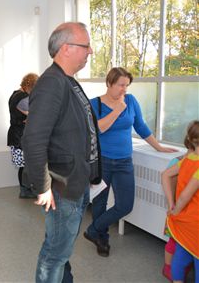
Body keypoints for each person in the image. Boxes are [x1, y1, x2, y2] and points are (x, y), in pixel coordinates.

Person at [21, 22, 101, 283]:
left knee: (61, 247)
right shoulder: (51, 83)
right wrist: (43, 187)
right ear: (66, 48)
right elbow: (33, 139)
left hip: (75, 182)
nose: (90, 51)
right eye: (85, 45)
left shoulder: (67, 81)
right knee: (55, 253)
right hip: (61, 186)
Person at [83, 67, 177, 257]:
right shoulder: (95, 104)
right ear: (109, 83)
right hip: (103, 162)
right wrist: (117, 110)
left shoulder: (131, 101)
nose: (124, 90)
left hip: (124, 161)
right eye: (120, 85)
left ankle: (93, 230)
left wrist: (158, 147)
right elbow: (98, 129)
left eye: (127, 85)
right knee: (100, 202)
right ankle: (102, 239)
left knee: (125, 205)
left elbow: (140, 125)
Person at [161, 120, 199, 283]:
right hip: (195, 222)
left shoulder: (187, 159)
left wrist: (172, 205)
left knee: (181, 255)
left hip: (183, 220)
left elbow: (165, 175)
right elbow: (185, 196)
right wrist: (175, 210)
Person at [7, 73, 39, 199]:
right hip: (20, 135)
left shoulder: (15, 94)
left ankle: (25, 189)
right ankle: (25, 190)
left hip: (17, 134)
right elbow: (34, 114)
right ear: (28, 86)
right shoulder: (22, 97)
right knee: (26, 165)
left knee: (25, 165)